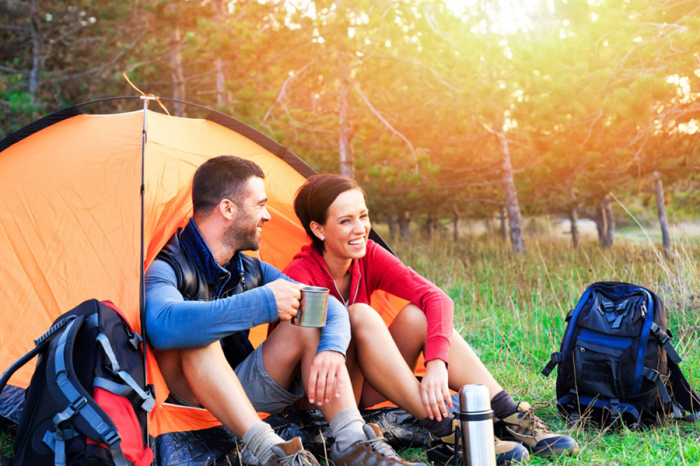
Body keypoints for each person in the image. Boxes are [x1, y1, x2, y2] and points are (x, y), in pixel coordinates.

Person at [283, 174, 580, 466]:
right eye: (346, 220)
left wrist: (437, 363)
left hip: (363, 389)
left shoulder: (366, 256)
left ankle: (509, 415)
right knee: (359, 315)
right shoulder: (301, 275)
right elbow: (305, 357)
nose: (360, 228)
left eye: (363, 215)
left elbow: (436, 298)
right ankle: (447, 433)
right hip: (321, 399)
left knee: (416, 315)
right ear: (318, 229)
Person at [146, 156, 423, 466]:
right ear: (227, 209)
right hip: (191, 408)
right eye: (260, 205)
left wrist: (332, 349)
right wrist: (263, 303)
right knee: (198, 333)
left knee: (309, 319)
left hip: (241, 389)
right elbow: (161, 324)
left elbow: (327, 305)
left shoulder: (250, 268)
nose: (267, 216)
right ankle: (272, 453)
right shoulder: (166, 266)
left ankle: (353, 443)